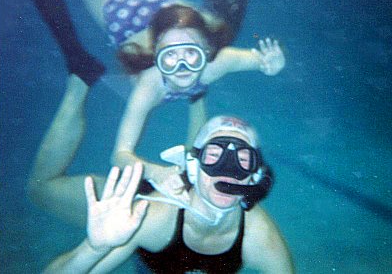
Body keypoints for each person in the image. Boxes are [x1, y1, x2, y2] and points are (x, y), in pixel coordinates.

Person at [69, 0, 286, 166]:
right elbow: (120, 154)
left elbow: (262, 61)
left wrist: (273, 65)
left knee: (200, 19)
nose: (182, 67)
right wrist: (158, 174)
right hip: (127, 21)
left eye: (191, 54)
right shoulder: (149, 85)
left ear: (207, 50)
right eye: (170, 56)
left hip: (171, 13)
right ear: (156, 56)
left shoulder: (218, 62)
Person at [44, 116, 294, 273]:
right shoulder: (150, 216)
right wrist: (94, 248)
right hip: (148, 215)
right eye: (214, 157)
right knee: (41, 191)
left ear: (256, 176)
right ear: (193, 168)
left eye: (242, 160)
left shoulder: (260, 238)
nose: (228, 173)